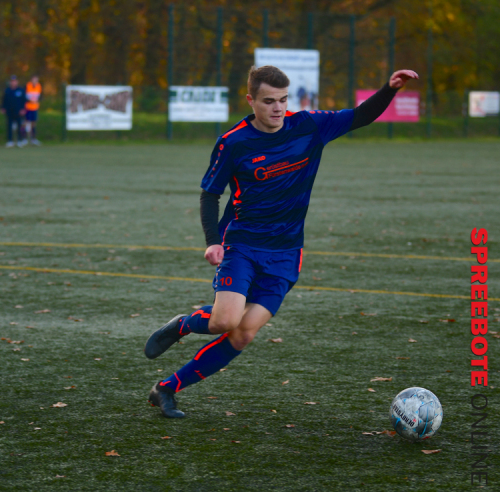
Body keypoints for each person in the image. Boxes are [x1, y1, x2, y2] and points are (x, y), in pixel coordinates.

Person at [144, 65, 419, 418]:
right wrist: (213, 241)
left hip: (286, 252)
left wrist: (390, 88)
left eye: (283, 100)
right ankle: (183, 324)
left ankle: (166, 388)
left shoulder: (308, 126)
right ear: (251, 100)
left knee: (243, 334)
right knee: (225, 321)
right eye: (269, 101)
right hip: (242, 244)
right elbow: (210, 194)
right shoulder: (233, 142)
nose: (278, 108)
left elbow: (361, 115)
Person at [1, 75, 26, 147]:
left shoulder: (21, 90)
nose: (13, 83)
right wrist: (3, 108)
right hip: (9, 111)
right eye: (12, 81)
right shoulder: (7, 90)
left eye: (14, 81)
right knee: (9, 126)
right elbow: (4, 100)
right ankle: (10, 141)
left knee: (19, 126)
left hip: (18, 112)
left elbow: (24, 101)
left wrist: (23, 109)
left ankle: (19, 140)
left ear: (17, 82)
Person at [23, 75, 42, 146]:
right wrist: (30, 100)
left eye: (36, 79)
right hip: (28, 107)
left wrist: (37, 101)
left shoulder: (39, 86)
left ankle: (33, 139)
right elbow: (24, 96)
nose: (35, 81)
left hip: (35, 107)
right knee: (26, 123)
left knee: (34, 123)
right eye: (34, 79)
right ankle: (25, 138)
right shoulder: (27, 86)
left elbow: (40, 96)